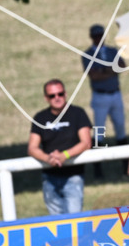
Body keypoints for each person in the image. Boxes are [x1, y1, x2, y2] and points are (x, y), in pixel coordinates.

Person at [28, 79, 93, 215]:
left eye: (60, 94)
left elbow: (86, 143)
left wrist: (65, 156)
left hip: (73, 176)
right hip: (49, 177)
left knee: (74, 222)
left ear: (65, 94)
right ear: (46, 98)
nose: (57, 98)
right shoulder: (40, 118)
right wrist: (48, 158)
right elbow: (32, 148)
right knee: (57, 225)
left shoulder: (78, 113)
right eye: (52, 95)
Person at [82, 24, 127, 149]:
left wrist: (103, 71)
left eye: (101, 35)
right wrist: (111, 69)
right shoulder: (88, 54)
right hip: (100, 95)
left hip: (115, 93)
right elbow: (93, 75)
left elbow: (122, 65)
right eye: (96, 36)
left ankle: (125, 160)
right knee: (99, 128)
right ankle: (98, 162)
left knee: (120, 125)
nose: (99, 38)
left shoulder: (112, 51)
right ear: (91, 37)